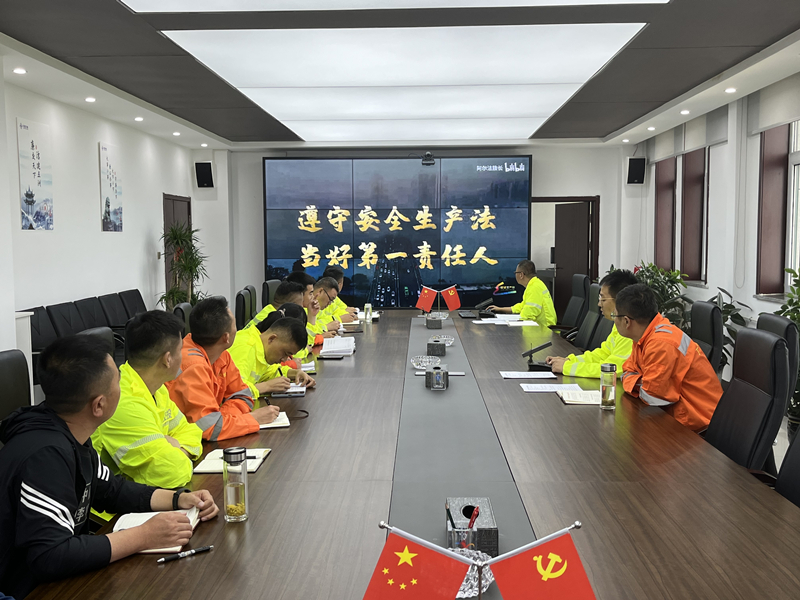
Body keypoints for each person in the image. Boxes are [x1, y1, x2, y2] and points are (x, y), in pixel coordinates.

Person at [0, 336, 218, 599]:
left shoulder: (71, 433)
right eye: (118, 381)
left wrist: (178, 499)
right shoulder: (45, 455)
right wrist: (143, 536)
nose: (122, 386)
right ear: (99, 405)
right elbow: (50, 556)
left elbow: (112, 490)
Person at [92, 311, 202, 490]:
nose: (183, 356)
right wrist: (177, 449)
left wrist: (175, 448)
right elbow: (172, 473)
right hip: (113, 505)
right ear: (167, 359)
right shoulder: (123, 403)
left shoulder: (156, 388)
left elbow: (191, 431)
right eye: (180, 350)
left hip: (145, 495)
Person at [166, 296, 280, 441]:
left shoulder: (221, 354)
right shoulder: (192, 366)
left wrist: (224, 418)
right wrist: (253, 419)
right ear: (226, 337)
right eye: (235, 326)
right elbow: (211, 429)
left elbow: (242, 395)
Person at [615, 284, 722, 431]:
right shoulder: (644, 336)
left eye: (615, 315)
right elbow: (627, 370)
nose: (613, 320)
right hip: (673, 416)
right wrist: (641, 382)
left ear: (627, 321)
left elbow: (652, 397)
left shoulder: (661, 344)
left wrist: (636, 382)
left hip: (699, 425)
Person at [546, 269, 639, 377]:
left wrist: (567, 367)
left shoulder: (631, 329)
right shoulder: (619, 323)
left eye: (603, 299)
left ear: (620, 300)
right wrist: (570, 361)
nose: (599, 304)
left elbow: (613, 369)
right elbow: (603, 354)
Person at [228, 307, 314, 400]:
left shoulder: (261, 347)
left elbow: (270, 372)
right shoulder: (245, 348)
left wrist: (295, 373)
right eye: (285, 353)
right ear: (272, 339)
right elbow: (233, 392)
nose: (284, 359)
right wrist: (267, 386)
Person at [487, 260, 556, 327]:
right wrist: (501, 309)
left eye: (515, 273)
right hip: (540, 327)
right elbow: (522, 306)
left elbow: (529, 314)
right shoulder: (534, 284)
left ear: (521, 275)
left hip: (545, 329)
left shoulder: (534, 287)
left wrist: (515, 323)